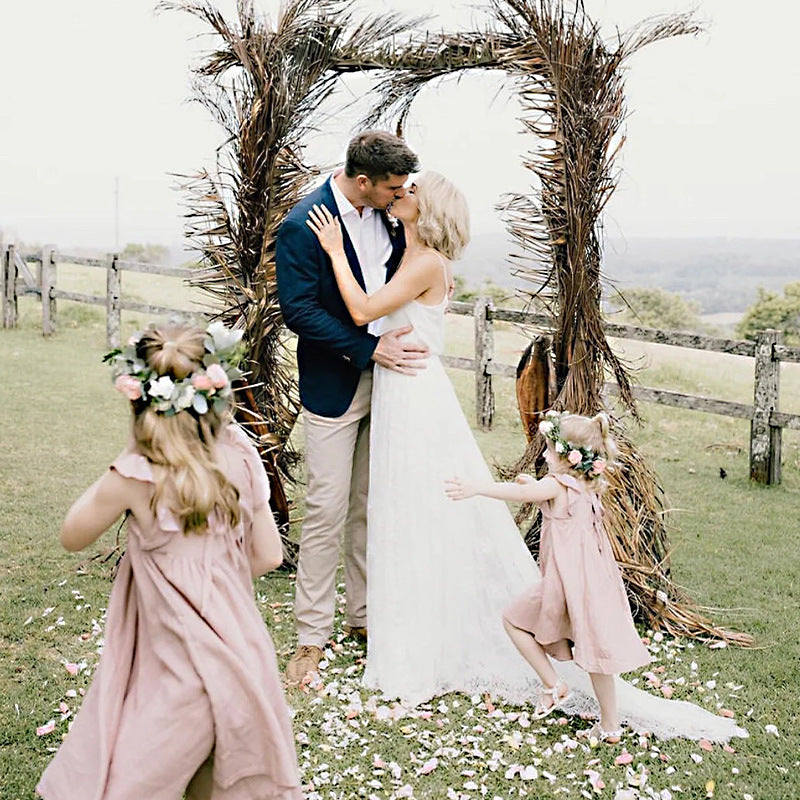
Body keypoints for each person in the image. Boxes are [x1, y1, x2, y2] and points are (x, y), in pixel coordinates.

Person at [305, 172, 748, 743]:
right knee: (402, 507)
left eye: (412, 191)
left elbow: (364, 311)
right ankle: (414, 624)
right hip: (401, 387)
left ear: (429, 210)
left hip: (414, 395)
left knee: (418, 504)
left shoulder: (426, 262)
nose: (402, 193)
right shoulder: (410, 253)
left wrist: (336, 251)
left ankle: (423, 640)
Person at [36, 323, 303, 800]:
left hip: (178, 677)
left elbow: (72, 535)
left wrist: (133, 451)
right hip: (243, 663)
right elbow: (268, 554)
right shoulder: (242, 458)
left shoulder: (137, 473)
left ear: (140, 400)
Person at [276, 130, 425, 685]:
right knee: (325, 509)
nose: (400, 194)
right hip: (335, 385)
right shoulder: (302, 225)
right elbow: (298, 311)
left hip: (391, 385)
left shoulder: (390, 215)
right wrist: (368, 348)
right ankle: (311, 637)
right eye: (392, 187)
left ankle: (363, 618)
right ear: (364, 182)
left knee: (367, 504)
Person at [445, 411, 649, 742]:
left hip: (565, 585)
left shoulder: (556, 484)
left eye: (550, 450)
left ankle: (554, 684)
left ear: (570, 458)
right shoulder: (586, 486)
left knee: (512, 620)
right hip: (593, 585)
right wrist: (535, 488)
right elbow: (551, 502)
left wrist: (476, 488)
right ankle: (609, 725)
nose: (543, 454)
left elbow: (531, 495)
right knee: (596, 657)